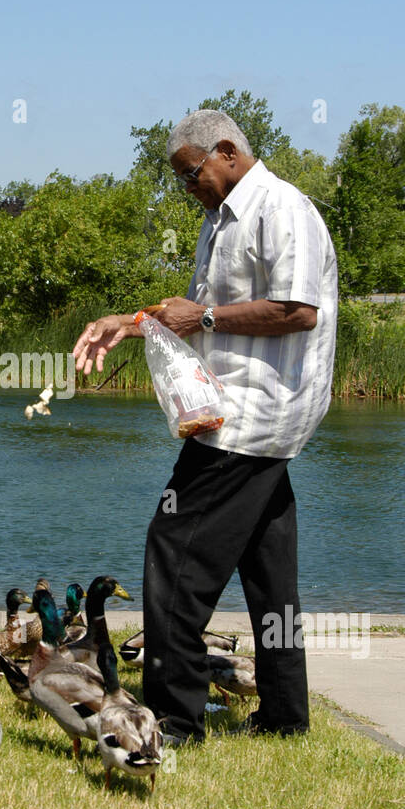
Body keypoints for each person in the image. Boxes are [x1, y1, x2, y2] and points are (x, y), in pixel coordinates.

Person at [72, 109, 338, 746]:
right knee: (269, 572)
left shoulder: (282, 209)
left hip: (249, 418)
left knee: (173, 557)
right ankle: (283, 714)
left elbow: (298, 310)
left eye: (192, 176)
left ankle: (172, 722)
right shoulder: (219, 222)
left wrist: (209, 318)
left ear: (226, 151)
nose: (189, 188)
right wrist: (130, 323)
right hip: (245, 418)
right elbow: (191, 314)